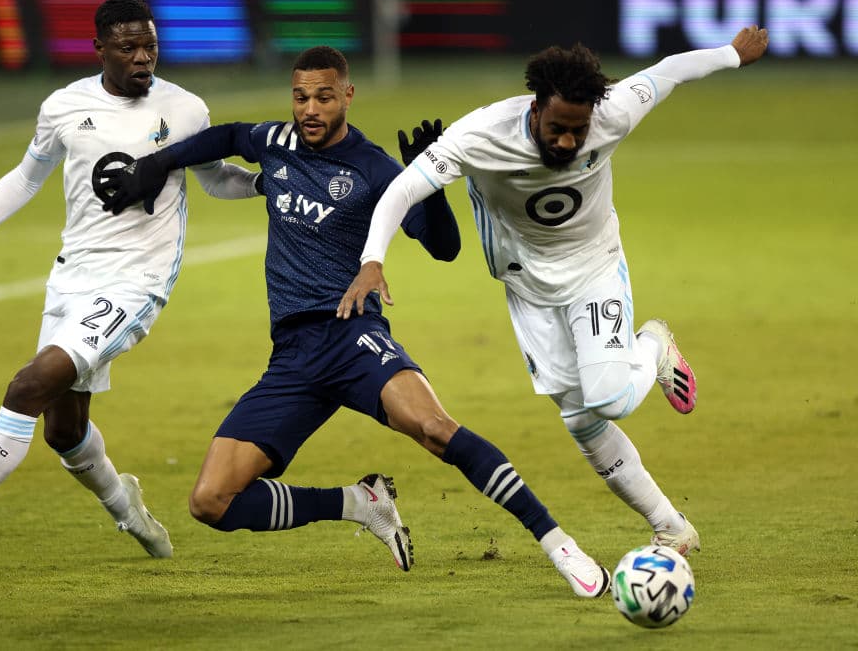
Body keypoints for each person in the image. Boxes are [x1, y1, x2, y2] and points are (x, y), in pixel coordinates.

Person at [100, 45, 611, 598]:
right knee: (211, 501)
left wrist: (430, 185)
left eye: (323, 97)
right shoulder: (275, 142)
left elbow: (444, 247)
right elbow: (224, 137)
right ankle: (359, 503)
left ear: (347, 95)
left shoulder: (372, 168)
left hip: (352, 335)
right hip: (292, 357)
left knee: (434, 429)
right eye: (300, 97)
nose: (309, 110)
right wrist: (156, 165)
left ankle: (560, 545)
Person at [338, 26, 771, 557]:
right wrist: (372, 260)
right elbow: (404, 188)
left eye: (578, 130)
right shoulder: (483, 134)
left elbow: (668, 72)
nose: (568, 141)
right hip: (527, 285)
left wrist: (731, 54)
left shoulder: (613, 111)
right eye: (558, 129)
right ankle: (670, 526)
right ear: (536, 108)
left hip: (594, 268)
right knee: (582, 421)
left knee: (610, 398)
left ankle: (653, 345)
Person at [0, 0, 261, 569]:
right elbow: (26, 179)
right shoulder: (64, 106)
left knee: (29, 384)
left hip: (136, 283)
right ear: (99, 48)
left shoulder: (185, 109)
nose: (143, 58)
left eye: (150, 46)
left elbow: (216, 179)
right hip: (72, 278)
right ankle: (129, 509)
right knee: (63, 430)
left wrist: (264, 186)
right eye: (128, 48)